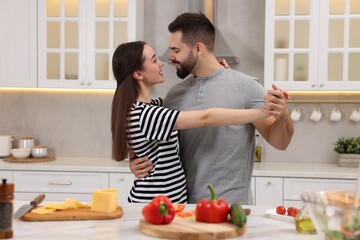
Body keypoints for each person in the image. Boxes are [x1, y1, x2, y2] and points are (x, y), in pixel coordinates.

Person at [130, 12, 294, 204]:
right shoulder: (174, 95)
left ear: (198, 49)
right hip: (185, 207)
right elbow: (145, 133)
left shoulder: (247, 87)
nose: (170, 57)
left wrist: (284, 116)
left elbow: (280, 143)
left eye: (176, 50)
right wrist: (135, 162)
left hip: (232, 207)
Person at [111, 41, 271, 203]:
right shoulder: (147, 115)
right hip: (154, 205)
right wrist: (261, 112)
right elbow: (207, 118)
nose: (161, 64)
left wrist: (216, 74)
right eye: (154, 60)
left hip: (166, 205)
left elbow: (183, 96)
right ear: (138, 74)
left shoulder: (146, 107)